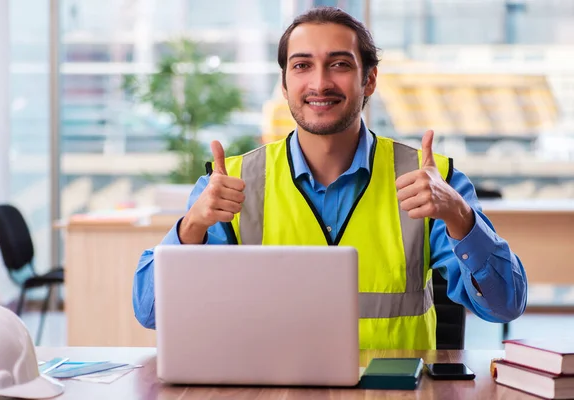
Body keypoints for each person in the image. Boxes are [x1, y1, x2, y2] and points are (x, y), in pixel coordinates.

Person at [133, 6, 527, 350]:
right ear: (285, 82)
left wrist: (459, 216)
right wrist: (192, 227)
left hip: (395, 390)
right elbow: (151, 312)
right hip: (270, 389)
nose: (319, 83)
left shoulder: (434, 182)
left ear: (369, 80)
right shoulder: (231, 183)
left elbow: (505, 305)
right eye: (302, 65)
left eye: (339, 64)